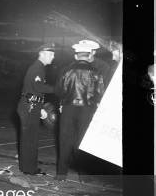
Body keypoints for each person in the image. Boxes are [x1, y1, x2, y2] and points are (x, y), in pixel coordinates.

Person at [55, 39, 105, 181]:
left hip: (68, 109)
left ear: (76, 56)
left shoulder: (66, 70)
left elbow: (59, 91)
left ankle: (61, 175)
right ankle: (84, 176)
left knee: (65, 141)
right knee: (83, 142)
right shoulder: (96, 72)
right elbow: (100, 92)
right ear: (89, 56)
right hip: (87, 110)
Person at [16, 43, 56, 175]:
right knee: (30, 139)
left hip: (31, 105)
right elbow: (38, 88)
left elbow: (34, 91)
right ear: (42, 54)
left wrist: (40, 108)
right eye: (51, 54)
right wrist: (57, 89)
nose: (53, 57)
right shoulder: (37, 68)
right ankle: (29, 169)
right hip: (29, 107)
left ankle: (27, 167)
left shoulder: (39, 68)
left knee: (30, 139)